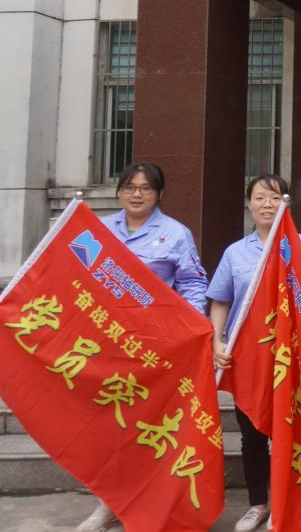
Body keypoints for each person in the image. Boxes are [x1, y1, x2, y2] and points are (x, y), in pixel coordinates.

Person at [75, 163, 209, 532]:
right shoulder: (96, 231)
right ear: (119, 192)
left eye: (146, 188)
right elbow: (75, 278)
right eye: (130, 187)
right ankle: (108, 505)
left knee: (150, 426)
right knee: (110, 428)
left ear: (160, 194)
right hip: (106, 345)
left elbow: (193, 286)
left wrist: (189, 330)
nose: (137, 194)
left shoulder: (175, 234)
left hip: (154, 348)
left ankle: (152, 502)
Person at [207, 175, 301, 532]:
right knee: (252, 434)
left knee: (292, 432)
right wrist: (217, 340)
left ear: (286, 203)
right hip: (248, 359)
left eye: (275, 198)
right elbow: (220, 300)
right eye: (260, 198)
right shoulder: (235, 252)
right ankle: (258, 503)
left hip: (293, 359)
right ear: (249, 204)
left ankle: (289, 502)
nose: (267, 204)